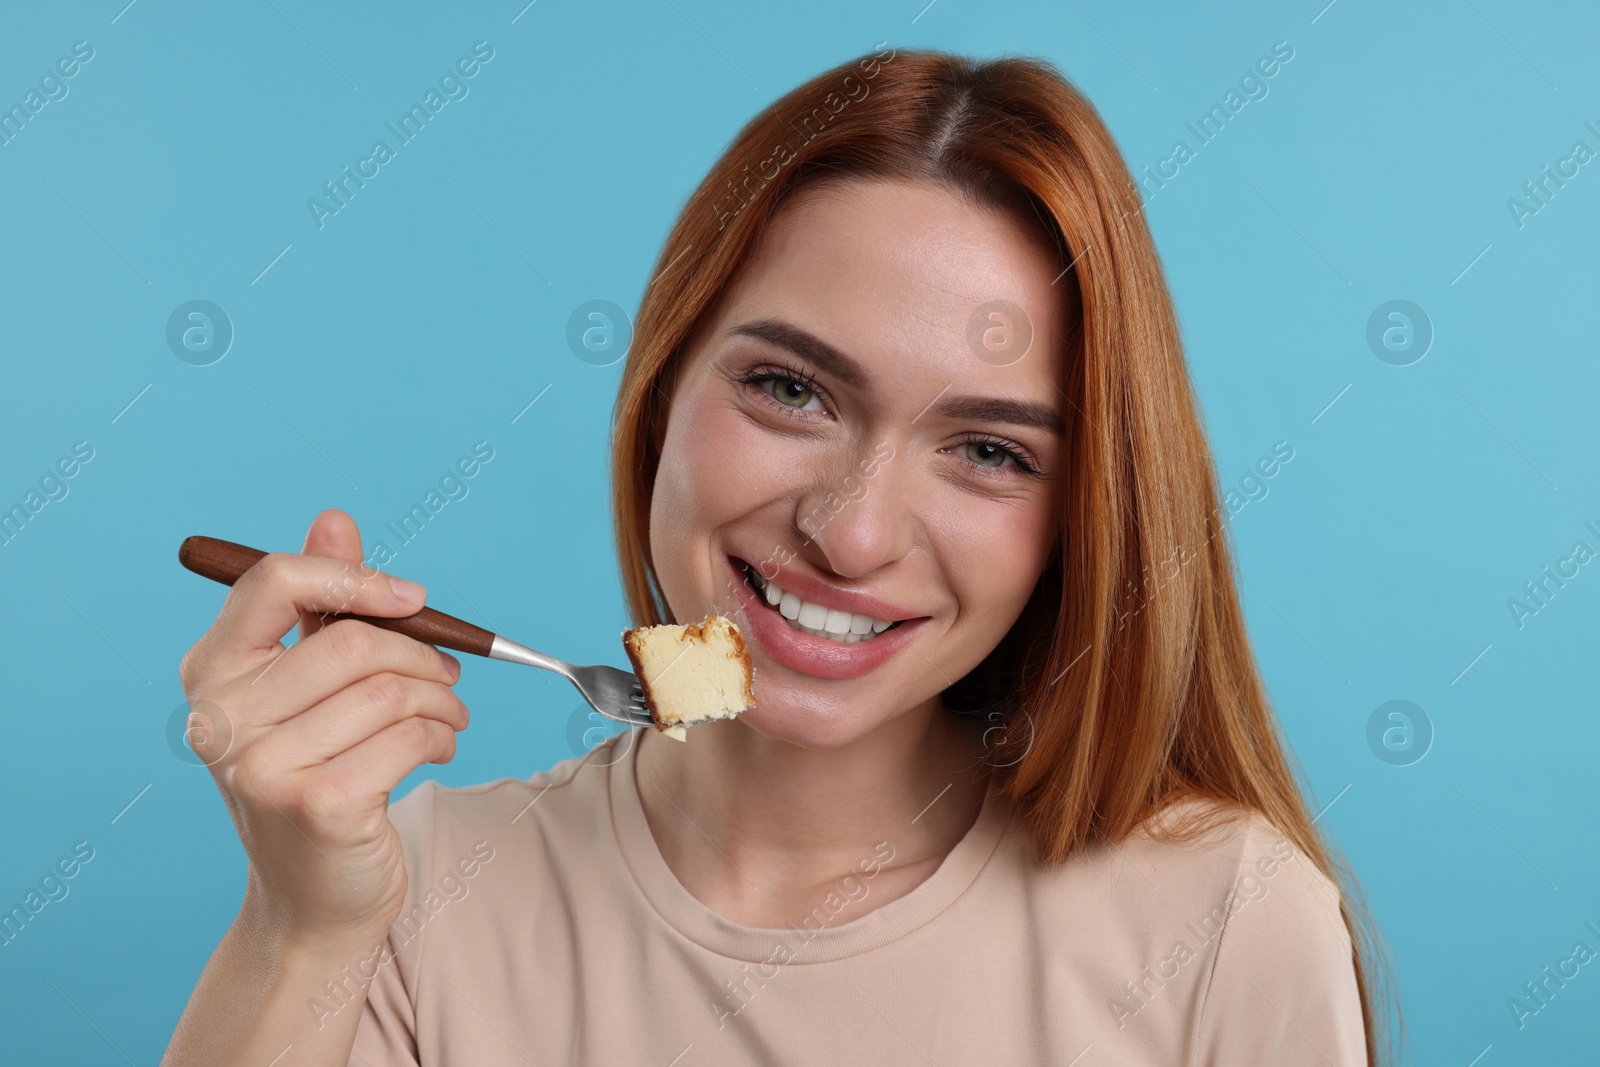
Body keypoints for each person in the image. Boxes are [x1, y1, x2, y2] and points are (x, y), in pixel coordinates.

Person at [161, 47, 1391, 1066]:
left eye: (990, 451)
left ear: (1081, 519)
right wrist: (299, 934)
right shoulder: (406, 892)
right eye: (790, 388)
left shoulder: (1229, 925)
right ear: (660, 390)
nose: (851, 534)